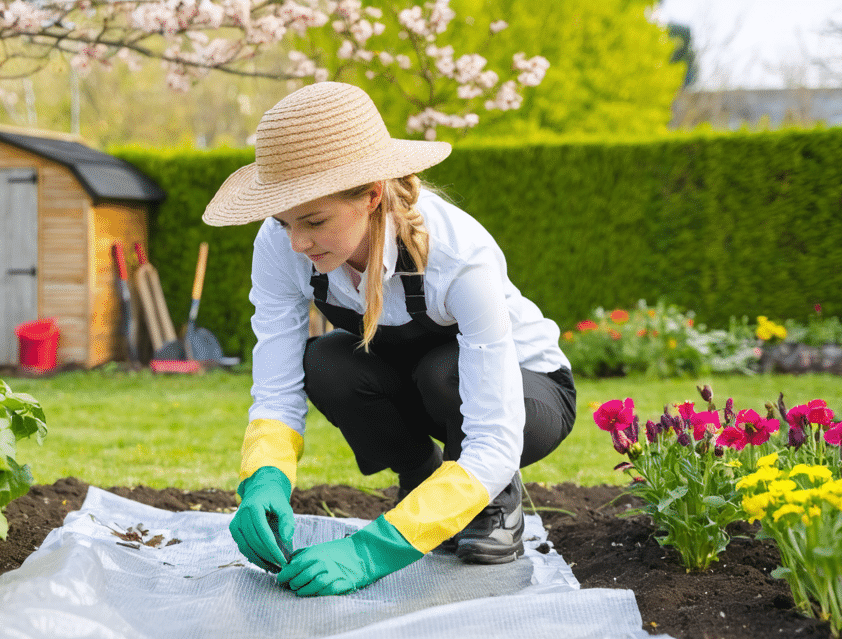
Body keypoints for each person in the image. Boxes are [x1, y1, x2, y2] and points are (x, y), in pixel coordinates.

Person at [202, 81, 576, 597]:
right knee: (328, 362)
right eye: (282, 220)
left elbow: (493, 438)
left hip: (527, 396)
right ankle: (422, 479)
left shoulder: (458, 256)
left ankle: (495, 503)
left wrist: (374, 549)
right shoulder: (281, 247)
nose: (297, 242)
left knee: (445, 373)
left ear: (373, 194)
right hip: (420, 382)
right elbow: (277, 384)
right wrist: (264, 477)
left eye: (313, 221)